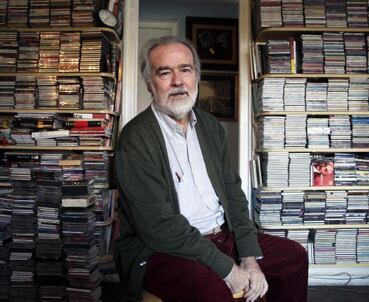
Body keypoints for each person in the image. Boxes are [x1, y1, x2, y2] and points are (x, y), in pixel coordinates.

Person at [114, 36, 308, 302]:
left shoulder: (210, 127)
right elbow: (157, 227)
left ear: (196, 76)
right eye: (165, 72)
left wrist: (249, 259)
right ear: (150, 83)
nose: (178, 81)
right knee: (214, 292)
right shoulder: (135, 137)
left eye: (185, 69)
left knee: (294, 258)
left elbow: (233, 195)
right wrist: (228, 269)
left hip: (220, 237)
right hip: (162, 250)